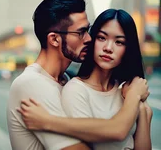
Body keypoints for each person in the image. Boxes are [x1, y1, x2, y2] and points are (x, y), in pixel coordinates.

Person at [7, 0, 149, 150]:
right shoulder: (32, 83)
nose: (89, 38)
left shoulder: (64, 80)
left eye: (88, 30)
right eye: (80, 32)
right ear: (54, 39)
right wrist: (134, 97)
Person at [61, 9, 152, 150]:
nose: (108, 48)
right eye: (102, 38)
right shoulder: (76, 91)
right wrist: (134, 97)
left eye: (119, 42)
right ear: (92, 40)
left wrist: (142, 109)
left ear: (128, 49)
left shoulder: (127, 91)